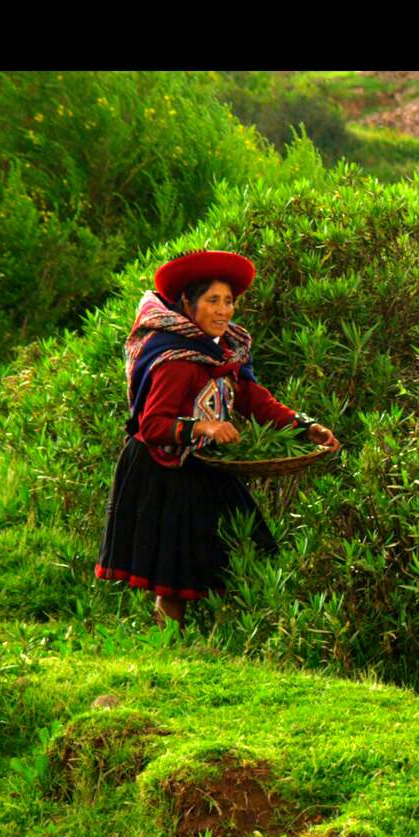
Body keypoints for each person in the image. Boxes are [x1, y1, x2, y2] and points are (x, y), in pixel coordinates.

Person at [94, 250, 339, 625]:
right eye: (213, 301)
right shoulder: (176, 359)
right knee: (173, 575)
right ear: (188, 304)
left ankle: (223, 638)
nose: (223, 310)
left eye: (229, 302)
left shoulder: (221, 352)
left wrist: (304, 426)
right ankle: (166, 648)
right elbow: (152, 425)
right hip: (164, 469)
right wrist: (204, 427)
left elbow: (254, 399)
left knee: (241, 550)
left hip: (203, 465)